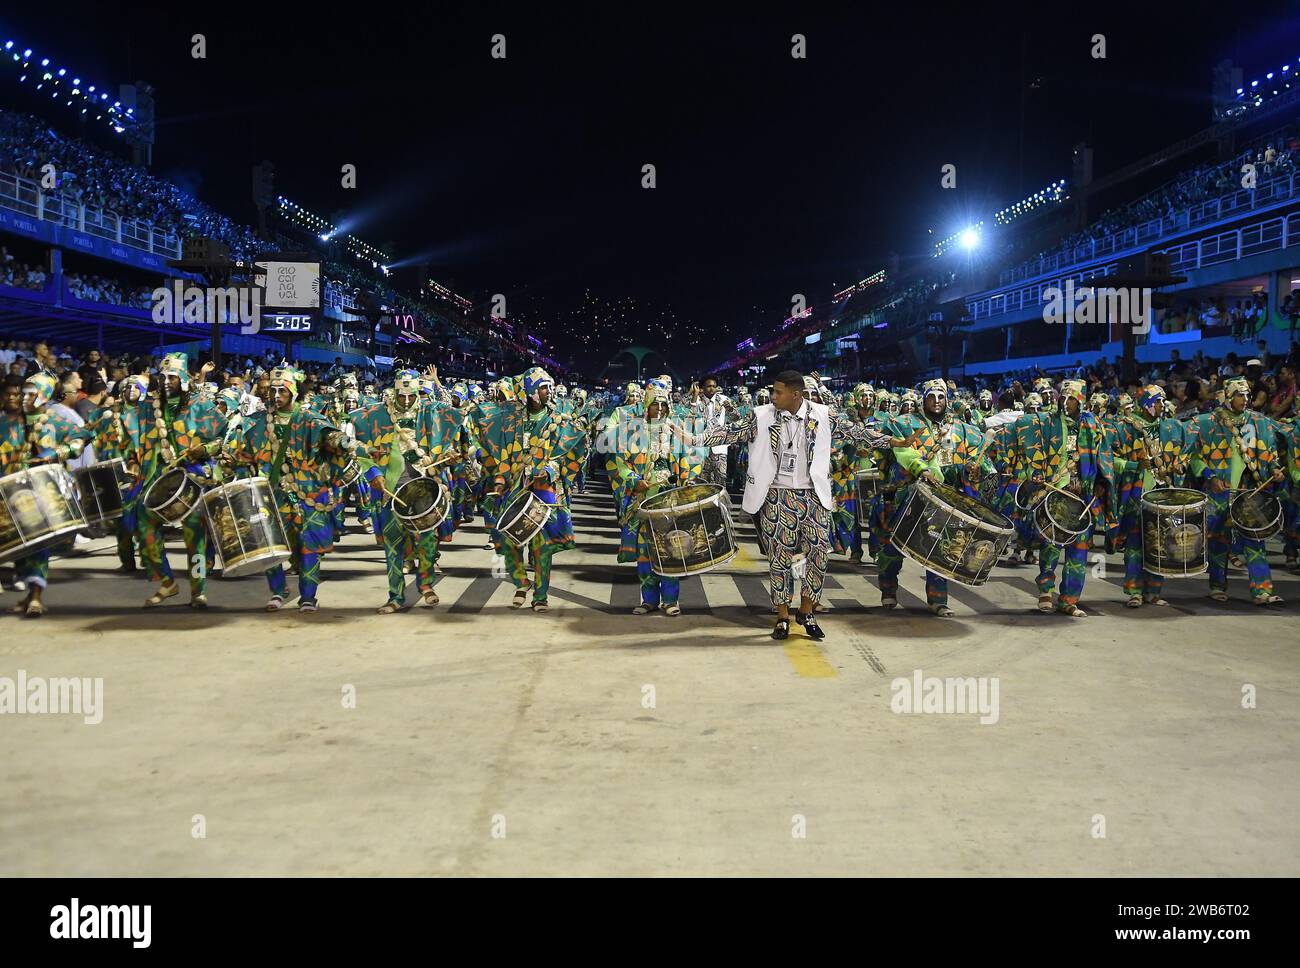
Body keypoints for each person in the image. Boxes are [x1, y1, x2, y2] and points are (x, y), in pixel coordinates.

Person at [683, 369, 895, 640]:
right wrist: (695, 439)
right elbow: (730, 433)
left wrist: (891, 441)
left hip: (813, 496)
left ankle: (806, 611)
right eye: (773, 391)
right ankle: (782, 615)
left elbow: (855, 433)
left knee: (819, 553)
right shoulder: (761, 415)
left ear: (796, 394)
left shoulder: (822, 414)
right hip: (777, 495)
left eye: (778, 392)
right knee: (779, 558)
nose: (773, 396)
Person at [1186, 376, 1286, 605]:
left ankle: (1262, 591)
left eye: (1247, 395)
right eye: (1240, 395)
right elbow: (1194, 457)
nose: (1245, 399)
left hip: (1248, 493)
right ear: (1229, 397)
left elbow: (1269, 454)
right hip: (1218, 493)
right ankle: (1217, 587)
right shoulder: (1207, 422)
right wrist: (1210, 477)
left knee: (1255, 541)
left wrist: (1275, 469)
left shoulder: (1258, 423)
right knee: (1218, 541)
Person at [613, 381, 705, 615]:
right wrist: (634, 480)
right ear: (647, 405)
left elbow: (693, 457)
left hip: (669, 500)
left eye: (664, 404)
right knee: (644, 554)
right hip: (642, 499)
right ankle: (649, 600)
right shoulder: (632, 431)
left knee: (670, 549)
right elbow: (620, 463)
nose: (661, 409)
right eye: (656, 404)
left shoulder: (677, 430)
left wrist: (686, 481)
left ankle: (671, 601)